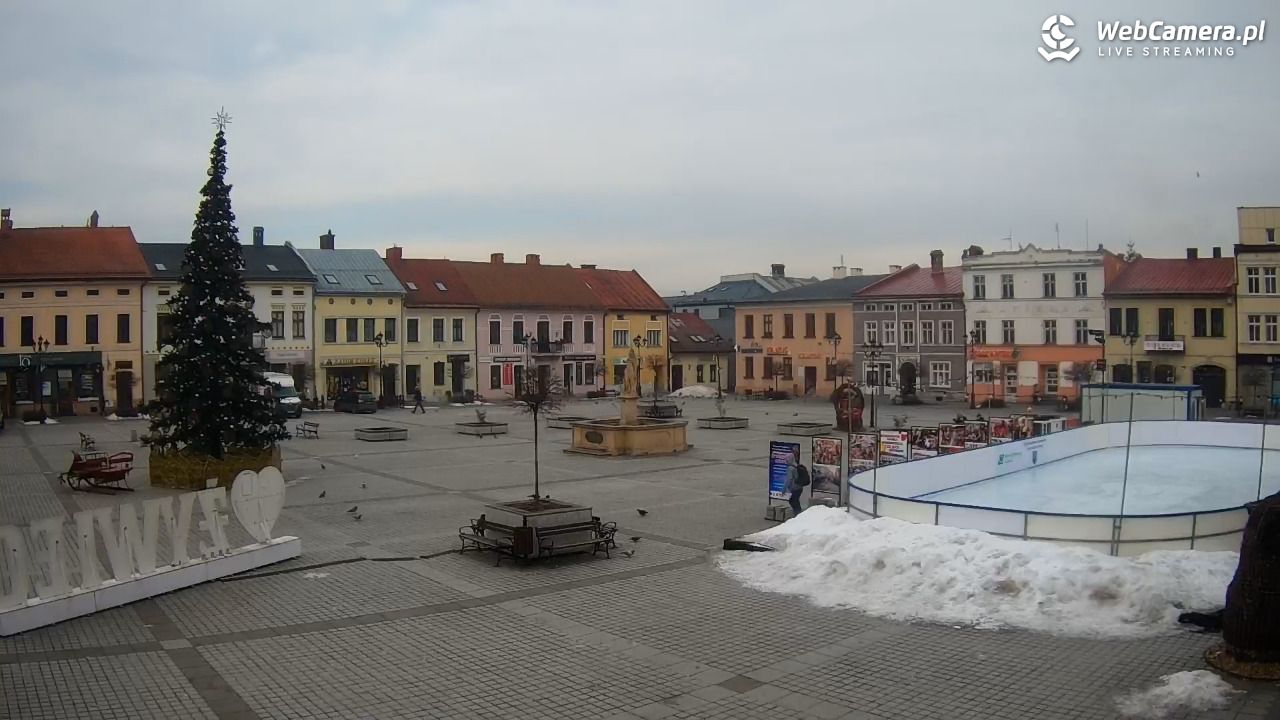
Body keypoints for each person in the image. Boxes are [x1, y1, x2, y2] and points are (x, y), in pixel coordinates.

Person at [784, 452, 808, 518]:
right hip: (800, 487)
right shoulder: (796, 465)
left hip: (795, 488)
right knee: (794, 501)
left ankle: (798, 516)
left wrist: (784, 489)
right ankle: (798, 514)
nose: (785, 461)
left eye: (786, 460)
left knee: (793, 501)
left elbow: (789, 479)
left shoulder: (790, 468)